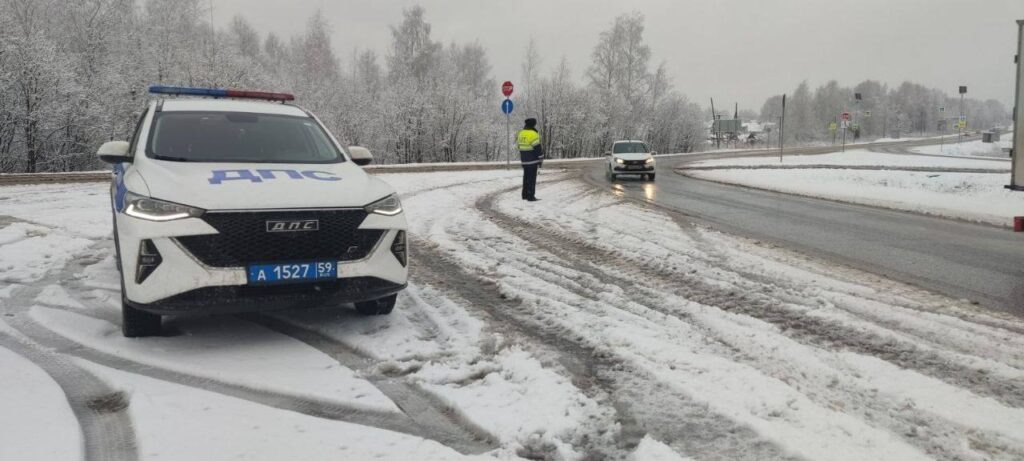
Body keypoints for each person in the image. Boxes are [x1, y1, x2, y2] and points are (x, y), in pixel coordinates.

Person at [517, 118, 544, 201]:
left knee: (526, 177)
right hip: (532, 160)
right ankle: (530, 196)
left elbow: (519, 146)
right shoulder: (533, 134)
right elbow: (537, 148)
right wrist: (541, 158)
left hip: (524, 160)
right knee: (532, 179)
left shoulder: (521, 133)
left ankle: (524, 194)